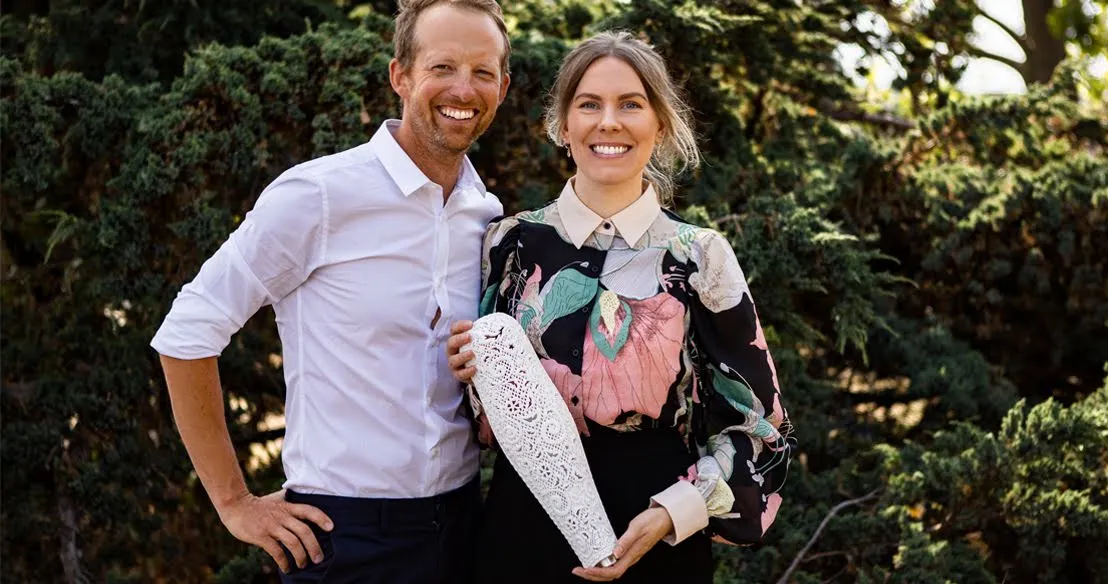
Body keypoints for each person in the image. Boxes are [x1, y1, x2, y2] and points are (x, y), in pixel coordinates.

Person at [150, 0, 511, 581]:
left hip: (465, 529)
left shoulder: (486, 217)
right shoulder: (317, 195)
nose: (463, 89)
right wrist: (234, 503)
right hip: (342, 541)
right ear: (401, 75)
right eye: (442, 67)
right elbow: (189, 330)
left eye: (483, 72)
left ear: (503, 85)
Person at [447, 31, 796, 583]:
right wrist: (471, 375)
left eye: (630, 104)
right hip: (522, 530)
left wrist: (672, 513)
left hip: (657, 533)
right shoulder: (508, 243)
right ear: (563, 126)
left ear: (658, 126)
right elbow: (477, 419)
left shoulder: (700, 257)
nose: (608, 121)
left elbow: (761, 431)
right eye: (589, 104)